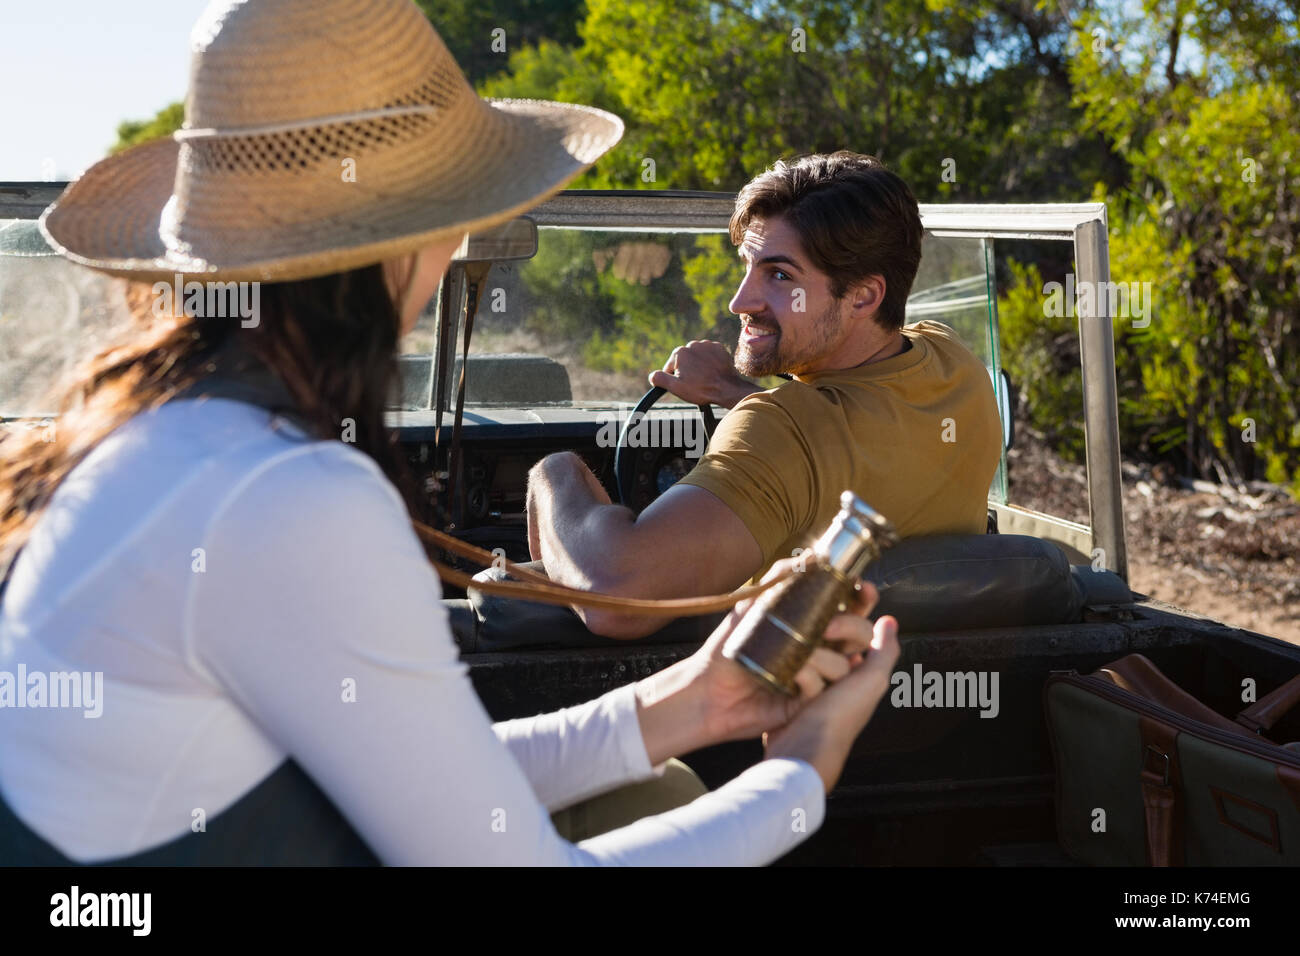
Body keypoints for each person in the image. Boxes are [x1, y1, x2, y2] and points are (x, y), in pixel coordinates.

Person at [0, 0, 899, 866]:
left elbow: (427, 780)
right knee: (661, 800)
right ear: (408, 239)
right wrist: (803, 770)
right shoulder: (288, 495)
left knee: (656, 784)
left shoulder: (169, 434)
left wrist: (697, 701)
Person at [526, 152, 1003, 639]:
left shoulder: (779, 433)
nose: (740, 302)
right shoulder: (953, 362)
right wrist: (733, 391)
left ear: (863, 296)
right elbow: (848, 433)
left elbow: (613, 596)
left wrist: (554, 474)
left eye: (779, 276)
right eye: (747, 266)